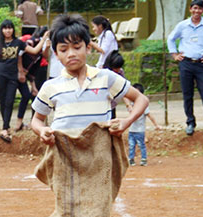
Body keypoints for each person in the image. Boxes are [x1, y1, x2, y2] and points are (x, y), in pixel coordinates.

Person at [30, 15, 148, 143]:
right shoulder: (50, 86)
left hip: (100, 155)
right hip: (65, 156)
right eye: (63, 49)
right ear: (56, 54)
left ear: (88, 48)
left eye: (77, 47)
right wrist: (42, 130)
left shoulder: (106, 77)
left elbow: (141, 99)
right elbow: (37, 119)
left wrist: (127, 121)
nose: (71, 54)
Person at [167, 0, 203, 137]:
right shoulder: (182, 25)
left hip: (202, 64)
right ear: (190, 9)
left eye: (199, 9)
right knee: (187, 94)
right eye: (194, 8)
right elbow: (170, 38)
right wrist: (174, 54)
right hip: (185, 63)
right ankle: (190, 123)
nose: (196, 11)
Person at [0, 19, 25, 143]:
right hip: (0, 75)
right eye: (5, 28)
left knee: (10, 101)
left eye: (10, 28)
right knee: (3, 100)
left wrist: (44, 40)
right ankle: (6, 126)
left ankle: (5, 127)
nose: (7, 30)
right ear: (2, 30)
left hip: (13, 76)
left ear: (13, 29)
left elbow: (34, 50)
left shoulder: (18, 43)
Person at [125, 83, 160, 166]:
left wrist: (156, 125)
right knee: (131, 145)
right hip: (132, 130)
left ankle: (143, 159)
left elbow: (150, 116)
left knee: (141, 145)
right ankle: (131, 159)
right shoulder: (131, 105)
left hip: (140, 130)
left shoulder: (143, 105)